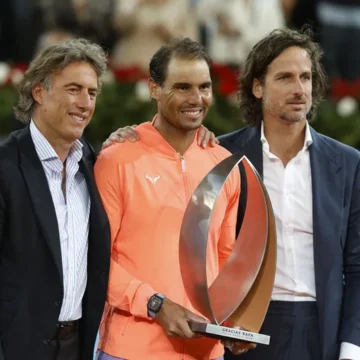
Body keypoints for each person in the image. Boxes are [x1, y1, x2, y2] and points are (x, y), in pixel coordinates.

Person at [109, 28, 360, 360]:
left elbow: (356, 265)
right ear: (257, 87)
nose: (299, 89)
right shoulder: (221, 153)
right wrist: (127, 137)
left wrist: (352, 347)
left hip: (321, 327)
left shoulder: (347, 162)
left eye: (306, 77)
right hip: (244, 326)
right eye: (285, 77)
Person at [94, 37, 255, 360]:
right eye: (182, 87)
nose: (196, 99)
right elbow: (96, 260)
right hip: (131, 350)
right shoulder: (117, 159)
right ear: (154, 88)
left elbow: (224, 258)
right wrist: (155, 304)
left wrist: (232, 318)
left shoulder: (223, 165)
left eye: (204, 87)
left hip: (205, 352)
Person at [0, 38, 110, 360]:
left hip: (78, 345)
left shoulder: (95, 164)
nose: (85, 103)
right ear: (39, 92)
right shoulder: (5, 166)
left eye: (92, 93)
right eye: (73, 89)